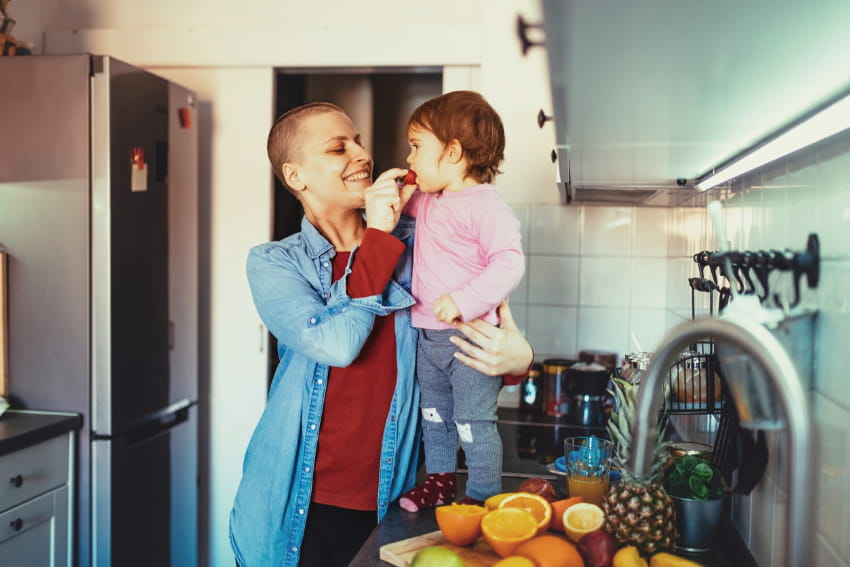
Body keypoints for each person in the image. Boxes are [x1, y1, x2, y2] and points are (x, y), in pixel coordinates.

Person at [228, 101, 533, 567]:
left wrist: (518, 362)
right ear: (295, 177)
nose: (362, 155)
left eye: (359, 142)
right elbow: (337, 344)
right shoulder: (275, 263)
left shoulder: (421, 241)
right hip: (297, 501)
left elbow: (470, 330)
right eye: (337, 148)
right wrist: (378, 237)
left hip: (394, 496)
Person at [395, 91, 525, 512]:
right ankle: (439, 482)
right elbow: (394, 210)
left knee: (474, 422)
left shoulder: (486, 206)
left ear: (452, 152)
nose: (409, 159)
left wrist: (466, 301)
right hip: (427, 338)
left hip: (470, 341)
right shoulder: (429, 199)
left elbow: (509, 263)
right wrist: (391, 198)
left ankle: (483, 497)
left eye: (416, 147)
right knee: (435, 419)